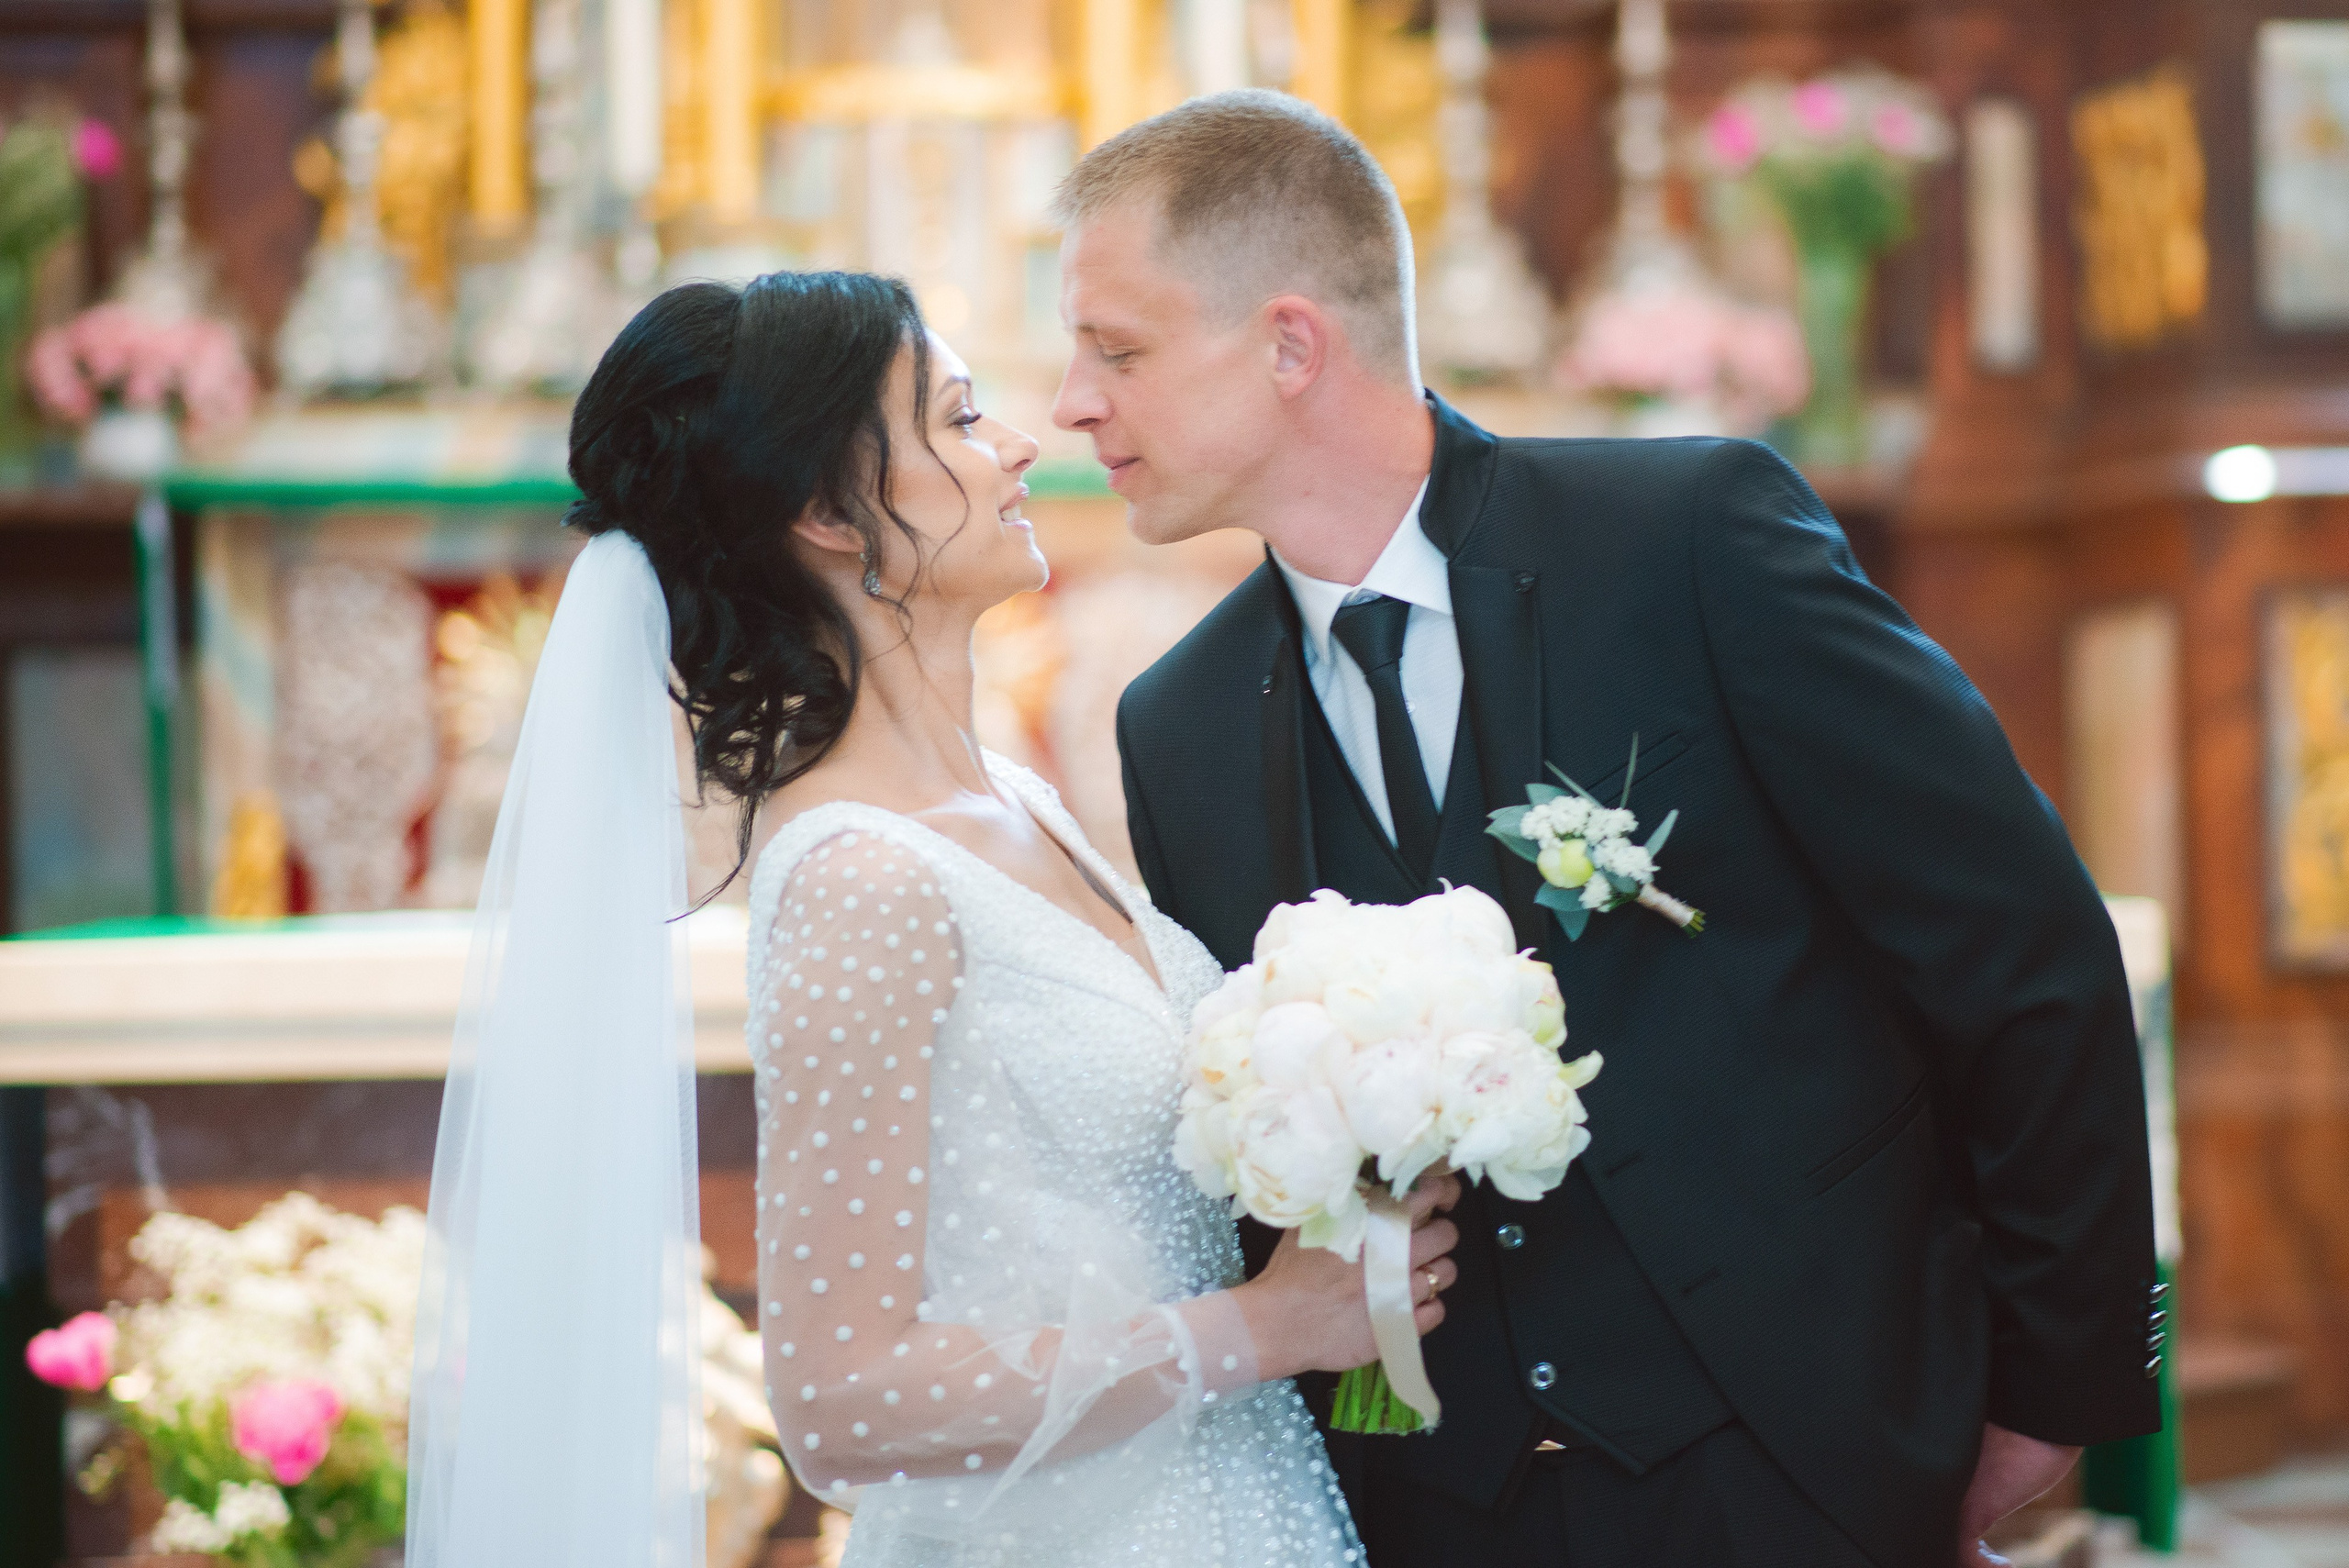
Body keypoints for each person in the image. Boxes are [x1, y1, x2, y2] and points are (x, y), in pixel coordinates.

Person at [1063, 91, 2164, 1568]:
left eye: (1117, 350)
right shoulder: (1176, 727)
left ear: (1289, 343)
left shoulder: (1690, 538)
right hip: (1446, 1516)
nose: (1072, 401)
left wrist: (2045, 1386)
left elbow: (2021, 946)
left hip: (1806, 1458)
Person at [406, 269, 1462, 1568]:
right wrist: (1269, 1325)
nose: (1021, 444)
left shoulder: (1018, 800)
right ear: (825, 513)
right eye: (960, 420)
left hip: (1233, 1507)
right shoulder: (863, 880)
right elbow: (839, 1403)